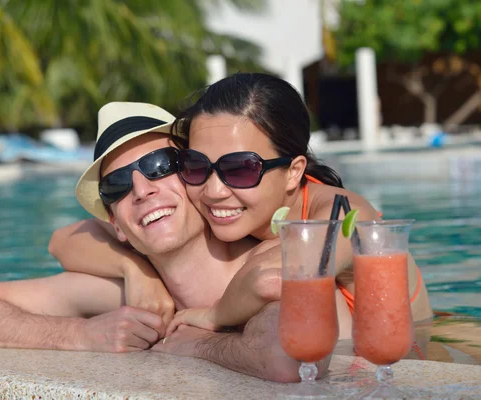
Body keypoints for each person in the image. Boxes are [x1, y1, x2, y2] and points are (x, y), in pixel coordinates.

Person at [0, 102, 336, 382]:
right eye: (118, 184)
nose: (141, 190)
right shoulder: (134, 293)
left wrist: (196, 346)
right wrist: (80, 335)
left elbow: (289, 354)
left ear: (196, 176)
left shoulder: (267, 256)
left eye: (160, 167)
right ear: (118, 224)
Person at [50, 74, 433, 331]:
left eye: (240, 169)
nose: (214, 190)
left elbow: (273, 279)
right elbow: (65, 240)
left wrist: (210, 317)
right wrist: (137, 270)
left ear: (294, 171)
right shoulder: (240, 215)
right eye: (197, 165)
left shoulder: (346, 213)